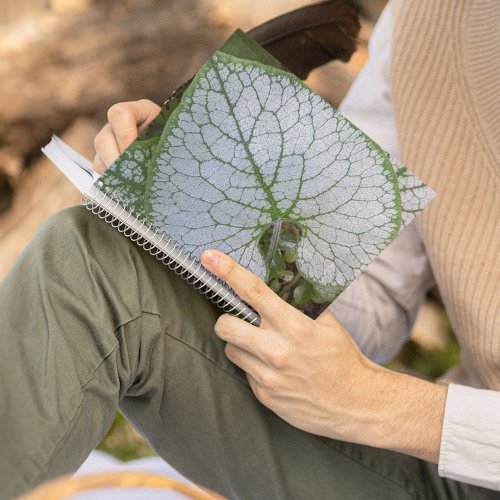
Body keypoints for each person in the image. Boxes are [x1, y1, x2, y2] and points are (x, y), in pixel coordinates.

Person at [1, 1, 499, 498]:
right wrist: (203, 193)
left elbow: (372, 399)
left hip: (435, 433)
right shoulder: (432, 21)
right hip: (438, 470)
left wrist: (379, 403)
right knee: (92, 259)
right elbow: (371, 300)